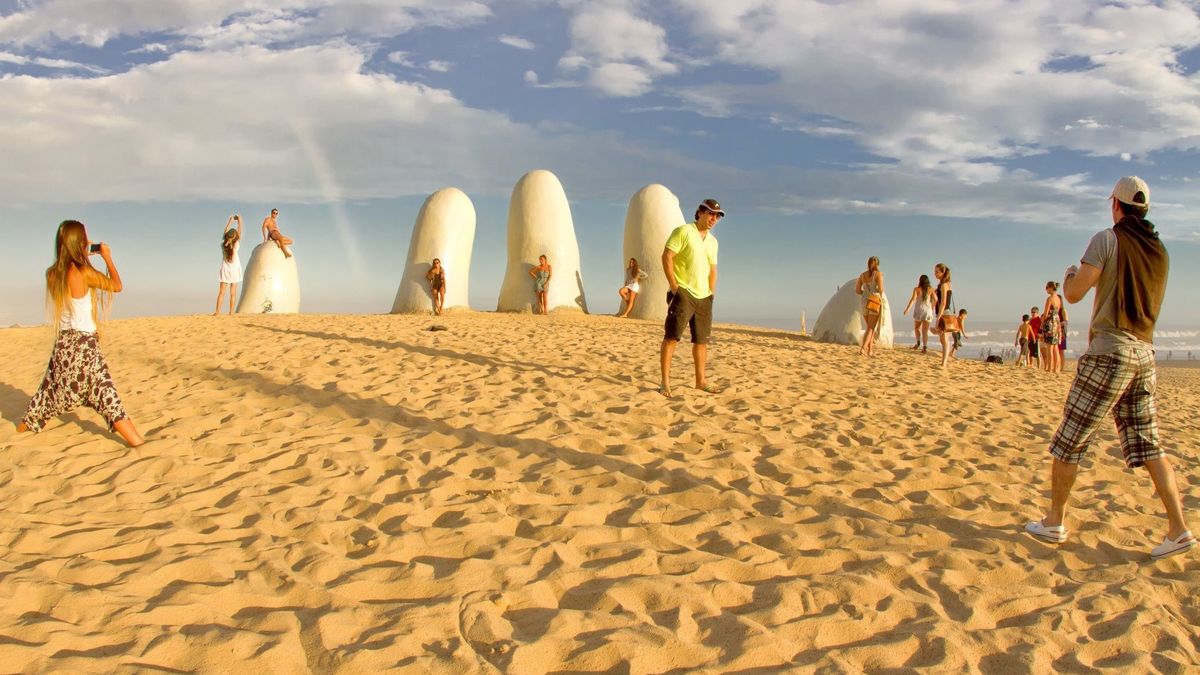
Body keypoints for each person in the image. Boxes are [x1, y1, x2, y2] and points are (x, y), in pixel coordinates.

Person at [1026, 176, 1192, 560]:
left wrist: (1069, 272)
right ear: (1145, 210)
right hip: (1144, 355)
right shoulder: (1160, 251)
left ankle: (1054, 521)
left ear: (1116, 205)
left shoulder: (1107, 238)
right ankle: (1178, 528)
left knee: (1070, 440)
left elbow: (1075, 292)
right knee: (1150, 444)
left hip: (1110, 352)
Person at [16, 220, 144, 447]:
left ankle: (17, 432)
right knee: (110, 402)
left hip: (62, 349)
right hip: (85, 350)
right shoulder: (84, 272)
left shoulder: (52, 274)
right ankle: (138, 443)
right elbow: (117, 285)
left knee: (45, 396)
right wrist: (106, 257)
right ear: (79, 243)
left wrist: (82, 255)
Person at [660, 198, 722, 397]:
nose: (714, 218)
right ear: (701, 212)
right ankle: (665, 383)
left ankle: (700, 381)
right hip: (684, 292)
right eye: (710, 213)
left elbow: (713, 269)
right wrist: (674, 286)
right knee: (672, 337)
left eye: (717, 216)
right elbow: (667, 255)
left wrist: (711, 292)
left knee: (701, 341)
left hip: (704, 296)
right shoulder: (684, 231)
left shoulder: (713, 242)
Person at [213, 214, 243, 315]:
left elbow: (225, 232)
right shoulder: (236, 245)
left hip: (225, 269)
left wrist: (230, 220)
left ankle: (217, 312)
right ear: (235, 238)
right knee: (233, 292)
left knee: (221, 292)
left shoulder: (223, 244)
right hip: (234, 270)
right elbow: (239, 232)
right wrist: (239, 220)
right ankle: (231, 312)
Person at [855, 256, 884, 357]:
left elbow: (857, 290)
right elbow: (881, 289)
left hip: (864, 301)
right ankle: (863, 348)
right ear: (878, 264)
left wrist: (865, 293)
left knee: (869, 328)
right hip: (874, 301)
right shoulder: (878, 274)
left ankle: (870, 350)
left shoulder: (862, 275)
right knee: (871, 327)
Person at [902, 274, 936, 352]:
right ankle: (925, 347)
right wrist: (932, 307)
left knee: (917, 328)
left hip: (919, 311)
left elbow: (913, 299)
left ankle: (918, 343)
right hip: (927, 312)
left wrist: (907, 309)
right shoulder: (931, 289)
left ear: (920, 281)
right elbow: (936, 299)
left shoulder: (916, 289)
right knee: (925, 331)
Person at [933, 263, 955, 368]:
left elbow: (943, 303)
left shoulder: (944, 285)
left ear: (942, 273)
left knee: (944, 339)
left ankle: (944, 364)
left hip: (944, 313)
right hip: (945, 312)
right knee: (943, 339)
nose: (935, 273)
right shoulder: (947, 284)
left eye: (937, 271)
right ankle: (943, 363)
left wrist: (938, 318)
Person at [1041, 281, 1064, 373]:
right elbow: (1058, 311)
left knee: (1049, 347)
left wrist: (1042, 323)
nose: (1046, 289)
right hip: (1056, 322)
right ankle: (1056, 368)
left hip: (1050, 322)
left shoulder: (1050, 299)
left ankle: (1050, 368)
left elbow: (1046, 314)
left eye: (1047, 287)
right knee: (1055, 347)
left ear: (1051, 287)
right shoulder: (1058, 298)